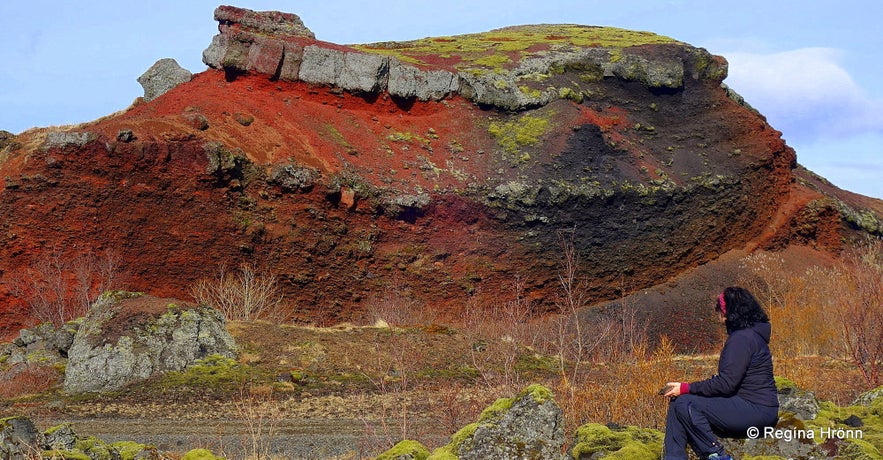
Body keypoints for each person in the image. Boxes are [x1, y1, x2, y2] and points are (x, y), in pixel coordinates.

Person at [661, 286, 779, 460]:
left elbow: (726, 384)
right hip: (752, 406)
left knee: (686, 403)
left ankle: (715, 455)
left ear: (730, 313)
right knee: (679, 401)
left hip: (757, 411)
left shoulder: (741, 339)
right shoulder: (749, 336)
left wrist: (687, 387)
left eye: (720, 311)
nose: (719, 318)